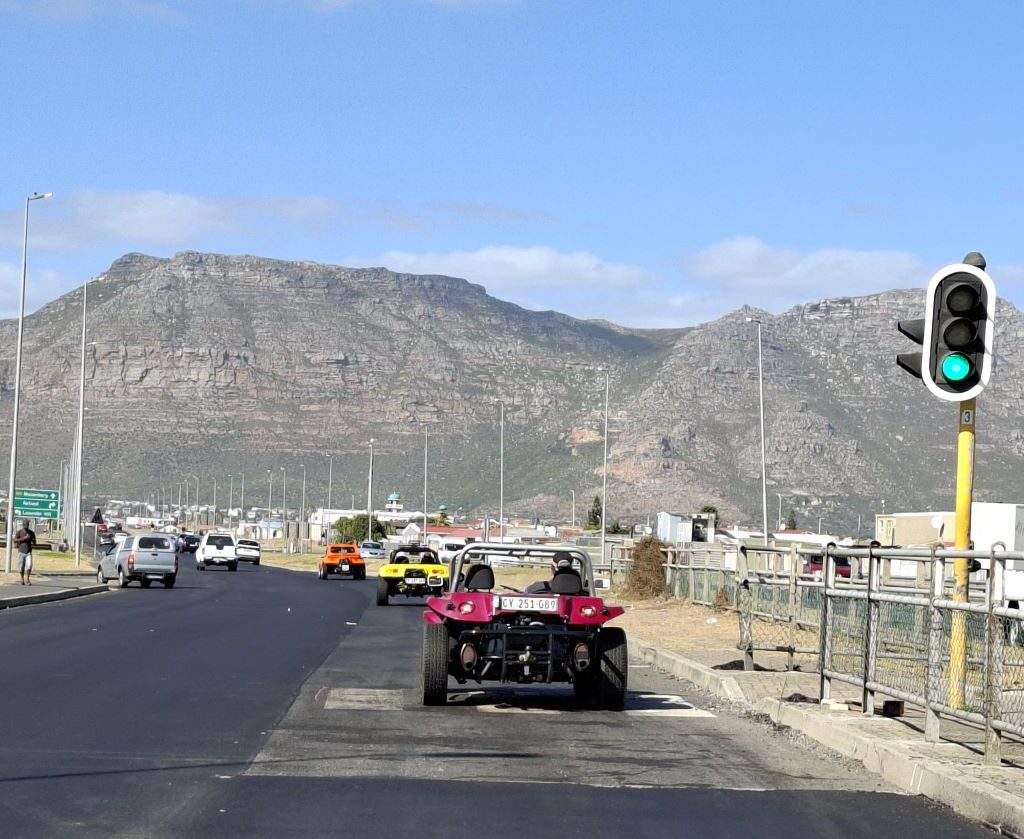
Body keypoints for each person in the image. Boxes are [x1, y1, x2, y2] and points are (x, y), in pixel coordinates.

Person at [15, 520, 36, 585]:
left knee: (29, 566)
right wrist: (24, 538)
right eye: (25, 525)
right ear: (23, 525)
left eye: (27, 525)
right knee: (21, 567)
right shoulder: (19, 532)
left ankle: (27, 579)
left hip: (28, 551)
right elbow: (15, 540)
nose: (26, 527)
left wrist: (32, 540)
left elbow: (34, 542)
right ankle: (22, 580)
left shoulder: (31, 532)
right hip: (21, 551)